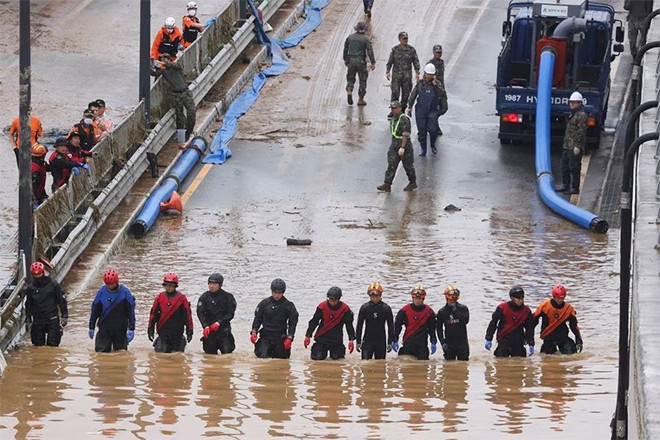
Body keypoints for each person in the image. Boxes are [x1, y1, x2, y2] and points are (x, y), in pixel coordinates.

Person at [88, 269, 136, 353]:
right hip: (104, 328)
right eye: (108, 284)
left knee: (121, 353)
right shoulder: (101, 292)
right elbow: (95, 310)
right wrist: (91, 326)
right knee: (101, 353)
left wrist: (131, 328)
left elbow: (131, 312)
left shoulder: (125, 293)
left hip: (120, 328)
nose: (109, 286)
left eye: (111, 284)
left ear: (116, 282)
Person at [151, 52, 197, 139]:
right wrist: (151, 65)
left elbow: (174, 65)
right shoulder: (164, 71)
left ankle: (188, 132)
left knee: (191, 112)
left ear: (169, 59)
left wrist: (165, 64)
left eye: (165, 59)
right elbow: (154, 74)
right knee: (179, 117)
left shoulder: (177, 67)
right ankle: (181, 136)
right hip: (176, 95)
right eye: (162, 59)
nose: (163, 60)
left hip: (186, 92)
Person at [250, 278, 299, 359]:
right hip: (265, 337)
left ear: (283, 292)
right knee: (262, 358)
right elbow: (257, 319)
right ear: (271, 291)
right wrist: (254, 331)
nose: (276, 295)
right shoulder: (264, 303)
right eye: (275, 293)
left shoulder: (289, 306)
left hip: (280, 337)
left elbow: (293, 323)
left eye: (279, 293)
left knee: (282, 359)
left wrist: (290, 337)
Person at [304, 287, 356, 360]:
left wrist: (351, 340)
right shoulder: (322, 307)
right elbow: (314, 321)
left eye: (335, 300)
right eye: (331, 300)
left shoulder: (345, 309)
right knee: (317, 360)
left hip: (336, 340)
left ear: (339, 299)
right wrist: (308, 336)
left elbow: (349, 325)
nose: (333, 302)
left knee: (338, 361)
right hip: (322, 338)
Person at [407, 63, 448, 156]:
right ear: (425, 73)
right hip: (421, 111)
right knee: (422, 132)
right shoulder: (420, 83)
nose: (429, 76)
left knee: (433, 130)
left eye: (431, 74)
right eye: (427, 74)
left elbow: (442, 95)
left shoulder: (438, 84)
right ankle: (423, 149)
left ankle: (432, 144)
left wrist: (435, 86)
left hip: (432, 111)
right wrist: (410, 107)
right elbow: (413, 95)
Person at [147, 272, 194, 353]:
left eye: (171, 285)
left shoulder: (182, 299)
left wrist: (189, 331)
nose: (168, 287)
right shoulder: (159, 297)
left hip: (177, 332)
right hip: (163, 332)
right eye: (166, 285)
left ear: (175, 286)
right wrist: (150, 329)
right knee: (163, 354)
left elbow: (187, 316)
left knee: (177, 354)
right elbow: (153, 314)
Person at [25, 262, 68, 347]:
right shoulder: (31, 288)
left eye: (39, 274)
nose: (37, 277)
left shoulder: (53, 285)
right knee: (38, 345)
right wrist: (28, 318)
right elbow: (28, 304)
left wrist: (65, 315)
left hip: (52, 318)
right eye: (35, 275)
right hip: (38, 320)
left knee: (53, 344)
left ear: (43, 273)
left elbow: (61, 300)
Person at [485, 285, 535, 357]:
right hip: (504, 339)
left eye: (522, 298)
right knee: (501, 363)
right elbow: (493, 323)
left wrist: (531, 343)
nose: (521, 300)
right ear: (512, 298)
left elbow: (530, 328)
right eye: (518, 298)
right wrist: (488, 338)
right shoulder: (502, 308)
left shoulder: (526, 311)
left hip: (519, 341)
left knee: (519, 364)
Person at [377, 101, 417, 192]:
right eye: (392, 108)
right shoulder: (393, 118)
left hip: (404, 145)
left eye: (395, 108)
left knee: (408, 165)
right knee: (391, 164)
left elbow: (405, 135)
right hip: (394, 143)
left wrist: (402, 147)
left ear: (400, 108)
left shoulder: (404, 119)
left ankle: (412, 182)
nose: (393, 110)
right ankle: (387, 184)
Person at [533, 284, 583, 354]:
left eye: (562, 298)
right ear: (554, 296)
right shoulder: (544, 306)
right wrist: (529, 336)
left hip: (562, 336)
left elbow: (574, 325)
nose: (560, 300)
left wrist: (578, 339)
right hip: (548, 337)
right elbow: (533, 321)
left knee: (571, 354)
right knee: (547, 358)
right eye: (558, 298)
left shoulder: (568, 308)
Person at [392, 285, 437, 360]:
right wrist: (395, 339)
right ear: (413, 298)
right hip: (408, 344)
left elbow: (432, 328)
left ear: (423, 299)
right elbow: (397, 326)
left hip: (422, 346)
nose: (418, 300)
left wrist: (433, 341)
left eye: (420, 298)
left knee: (423, 366)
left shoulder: (429, 312)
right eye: (416, 298)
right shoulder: (404, 311)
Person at [197, 272, 237, 354]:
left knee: (227, 355)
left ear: (220, 285)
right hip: (210, 332)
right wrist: (205, 325)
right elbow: (200, 312)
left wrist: (219, 323)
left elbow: (230, 314)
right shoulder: (204, 297)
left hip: (224, 332)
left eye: (214, 284)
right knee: (209, 357)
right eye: (210, 283)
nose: (211, 286)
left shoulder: (228, 297)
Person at [556, 91, 587, 195]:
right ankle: (566, 185)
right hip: (567, 146)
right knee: (564, 166)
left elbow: (581, 132)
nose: (571, 104)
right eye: (570, 102)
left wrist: (577, 146)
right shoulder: (572, 115)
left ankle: (575, 187)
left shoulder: (581, 116)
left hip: (574, 147)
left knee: (574, 167)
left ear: (579, 103)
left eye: (574, 102)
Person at [355, 281, 394, 360]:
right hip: (367, 341)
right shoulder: (364, 308)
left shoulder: (386, 308)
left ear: (380, 295)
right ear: (369, 295)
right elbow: (359, 325)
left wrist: (390, 342)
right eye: (372, 295)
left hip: (381, 342)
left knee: (381, 366)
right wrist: (358, 342)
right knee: (365, 365)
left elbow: (391, 326)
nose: (374, 297)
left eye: (377, 295)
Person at [386, 31, 420, 118]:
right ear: (399, 39)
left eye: (406, 39)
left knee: (406, 94)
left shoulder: (411, 50)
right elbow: (390, 61)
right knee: (395, 93)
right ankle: (394, 111)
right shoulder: (395, 50)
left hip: (407, 77)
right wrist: (387, 71)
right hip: (396, 76)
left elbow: (415, 61)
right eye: (403, 39)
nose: (405, 40)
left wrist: (417, 71)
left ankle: (402, 110)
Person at [343, 22, 376, 106]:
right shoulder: (366, 39)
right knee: (363, 80)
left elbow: (345, 49)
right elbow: (370, 51)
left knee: (350, 78)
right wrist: (373, 62)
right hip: (361, 62)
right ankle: (361, 99)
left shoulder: (350, 37)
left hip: (351, 61)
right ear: (364, 29)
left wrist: (346, 59)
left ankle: (349, 89)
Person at [436, 284, 470, 361]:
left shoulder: (463, 308)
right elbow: (439, 329)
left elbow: (465, 321)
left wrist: (455, 311)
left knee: (463, 366)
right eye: (451, 299)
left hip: (462, 344)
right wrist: (442, 342)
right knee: (448, 368)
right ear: (446, 298)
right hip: (449, 344)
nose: (452, 301)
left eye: (454, 300)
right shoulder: (442, 312)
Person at [31, 144, 49, 208]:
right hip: (33, 196)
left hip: (40, 192)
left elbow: (49, 168)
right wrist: (35, 199)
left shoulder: (41, 164)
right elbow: (33, 186)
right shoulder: (34, 168)